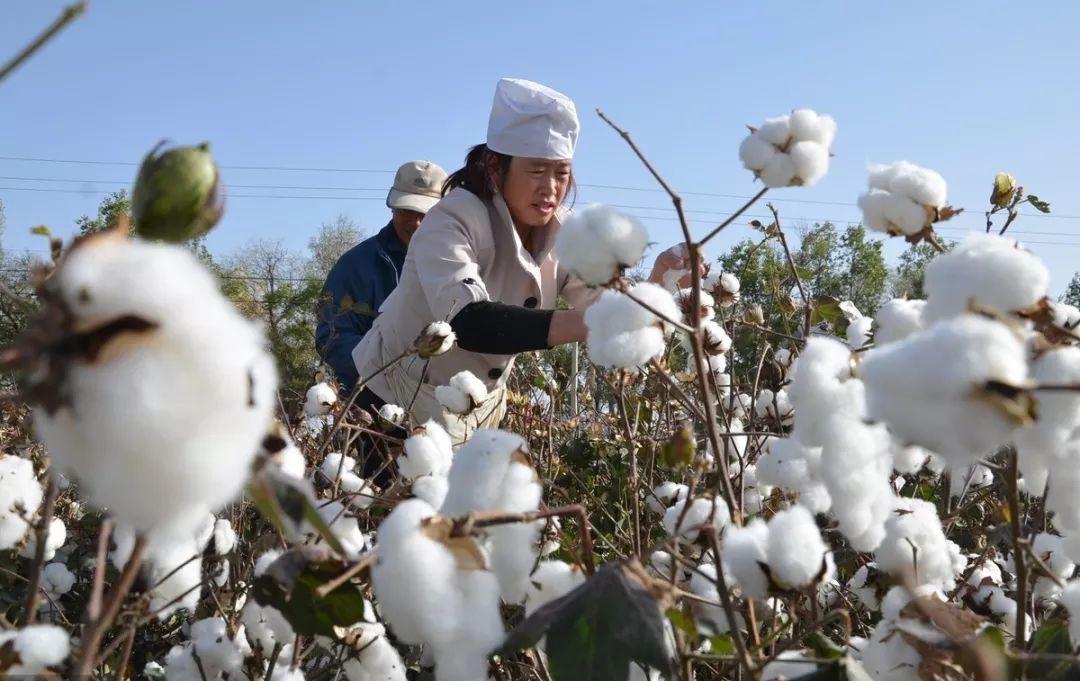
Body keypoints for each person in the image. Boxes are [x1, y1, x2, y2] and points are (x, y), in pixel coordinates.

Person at [350, 78, 694, 454]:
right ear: (496, 167)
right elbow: (467, 322)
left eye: (561, 173)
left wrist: (661, 281)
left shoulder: (567, 232)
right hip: (393, 401)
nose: (550, 188)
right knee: (391, 510)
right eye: (536, 171)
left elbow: (611, 306)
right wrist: (600, 321)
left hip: (474, 407)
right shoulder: (451, 220)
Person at [315, 160, 449, 393]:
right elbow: (332, 338)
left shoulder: (462, 263)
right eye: (407, 211)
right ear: (393, 208)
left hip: (445, 397)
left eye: (425, 214)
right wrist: (387, 369)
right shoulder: (355, 265)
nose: (415, 223)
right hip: (374, 401)